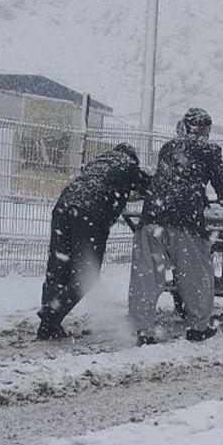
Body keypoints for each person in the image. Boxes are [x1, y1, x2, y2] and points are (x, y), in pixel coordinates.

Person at [129, 107, 223, 345]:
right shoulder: (210, 150)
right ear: (204, 129)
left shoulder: (168, 147)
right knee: (195, 274)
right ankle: (199, 327)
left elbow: (168, 178)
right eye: (206, 128)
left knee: (146, 275)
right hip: (185, 219)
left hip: (152, 217)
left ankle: (141, 329)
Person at [36, 142, 148, 340]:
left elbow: (107, 185)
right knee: (86, 275)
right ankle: (52, 314)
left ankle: (48, 326)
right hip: (91, 214)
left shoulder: (98, 163)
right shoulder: (128, 164)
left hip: (64, 205)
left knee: (58, 267)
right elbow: (149, 186)